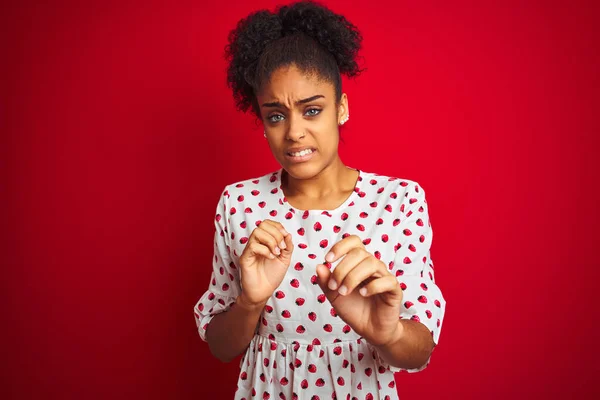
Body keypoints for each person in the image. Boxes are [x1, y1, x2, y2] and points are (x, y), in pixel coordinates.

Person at [193, 1, 447, 399]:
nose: (294, 132)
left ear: (341, 109)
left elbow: (419, 351)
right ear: (261, 122)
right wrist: (249, 302)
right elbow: (221, 348)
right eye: (276, 116)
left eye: (312, 110)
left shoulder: (398, 201)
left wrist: (388, 331)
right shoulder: (239, 204)